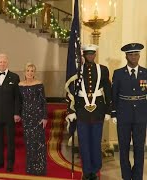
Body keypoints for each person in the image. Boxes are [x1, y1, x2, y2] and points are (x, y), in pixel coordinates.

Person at [65, 44, 112, 180]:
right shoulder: (77, 71)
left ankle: (95, 170)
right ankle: (86, 171)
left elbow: (108, 90)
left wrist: (108, 110)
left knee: (96, 142)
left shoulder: (103, 69)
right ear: (84, 55)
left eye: (92, 54)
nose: (90, 56)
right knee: (84, 143)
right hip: (81, 112)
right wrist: (71, 111)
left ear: (95, 55)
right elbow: (70, 91)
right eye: (87, 54)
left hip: (98, 110)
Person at [111, 43, 146, 180]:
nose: (134, 57)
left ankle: (137, 177)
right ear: (126, 56)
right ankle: (126, 176)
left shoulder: (145, 72)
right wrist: (114, 113)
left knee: (139, 148)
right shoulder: (118, 73)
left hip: (141, 116)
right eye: (131, 54)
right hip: (123, 115)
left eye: (136, 54)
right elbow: (114, 95)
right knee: (124, 148)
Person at [0, 53, 21, 172]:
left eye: (4, 62)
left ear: (8, 63)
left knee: (11, 140)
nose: (2, 64)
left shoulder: (15, 77)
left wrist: (17, 113)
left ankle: (10, 163)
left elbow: (17, 97)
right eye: (0, 62)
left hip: (10, 115)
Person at [18, 63, 48, 175]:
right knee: (29, 142)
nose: (30, 73)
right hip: (26, 116)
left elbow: (43, 101)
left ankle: (40, 168)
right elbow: (19, 101)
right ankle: (30, 167)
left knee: (39, 142)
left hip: (38, 116)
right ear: (24, 72)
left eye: (32, 71)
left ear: (34, 72)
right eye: (28, 70)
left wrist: (45, 117)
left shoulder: (39, 84)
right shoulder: (20, 85)